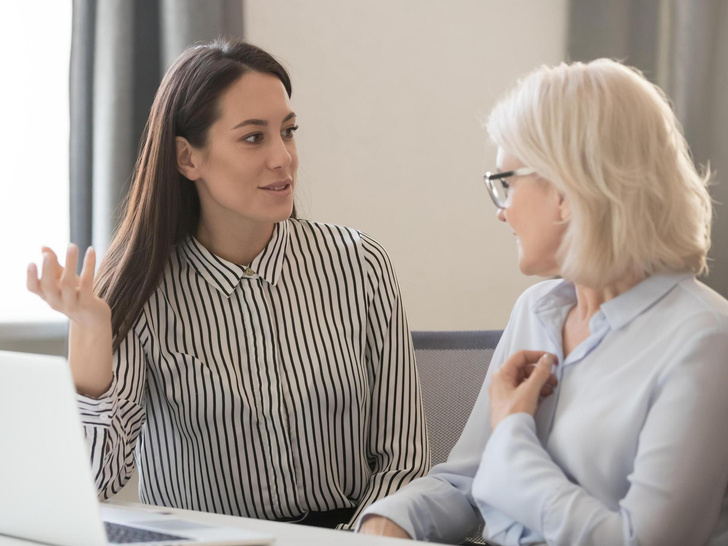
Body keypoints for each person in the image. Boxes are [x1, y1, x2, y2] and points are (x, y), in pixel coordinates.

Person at [27, 37, 429, 530]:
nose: (283, 158)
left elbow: (405, 462)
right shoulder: (140, 292)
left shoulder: (360, 265)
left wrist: (364, 536)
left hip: (350, 537)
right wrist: (90, 331)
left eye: (288, 131)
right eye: (253, 137)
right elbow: (92, 483)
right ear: (187, 158)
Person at [358, 58, 728, 545]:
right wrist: (390, 520)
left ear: (565, 190)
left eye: (507, 183)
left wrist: (513, 435)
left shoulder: (704, 341)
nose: (502, 210)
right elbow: (470, 482)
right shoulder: (536, 309)